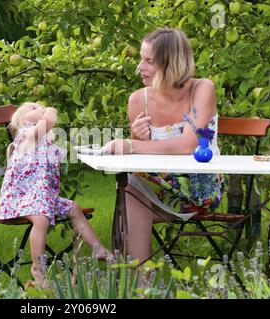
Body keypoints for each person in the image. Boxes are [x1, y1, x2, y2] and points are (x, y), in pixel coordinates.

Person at [102, 27, 224, 263]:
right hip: (159, 187)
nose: (140, 67)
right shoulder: (139, 100)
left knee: (129, 204)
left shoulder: (202, 89)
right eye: (141, 59)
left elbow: (189, 145)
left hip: (201, 190)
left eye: (149, 61)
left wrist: (130, 145)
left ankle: (140, 278)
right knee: (128, 190)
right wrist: (138, 139)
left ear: (171, 64)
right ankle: (143, 280)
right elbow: (147, 160)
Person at [0, 102, 111, 287]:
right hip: (19, 198)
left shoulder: (46, 142)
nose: (40, 108)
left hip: (42, 197)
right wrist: (51, 110)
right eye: (33, 108)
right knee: (41, 218)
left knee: (73, 207)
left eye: (40, 106)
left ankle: (98, 249)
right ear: (22, 119)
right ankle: (37, 268)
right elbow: (49, 120)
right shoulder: (27, 135)